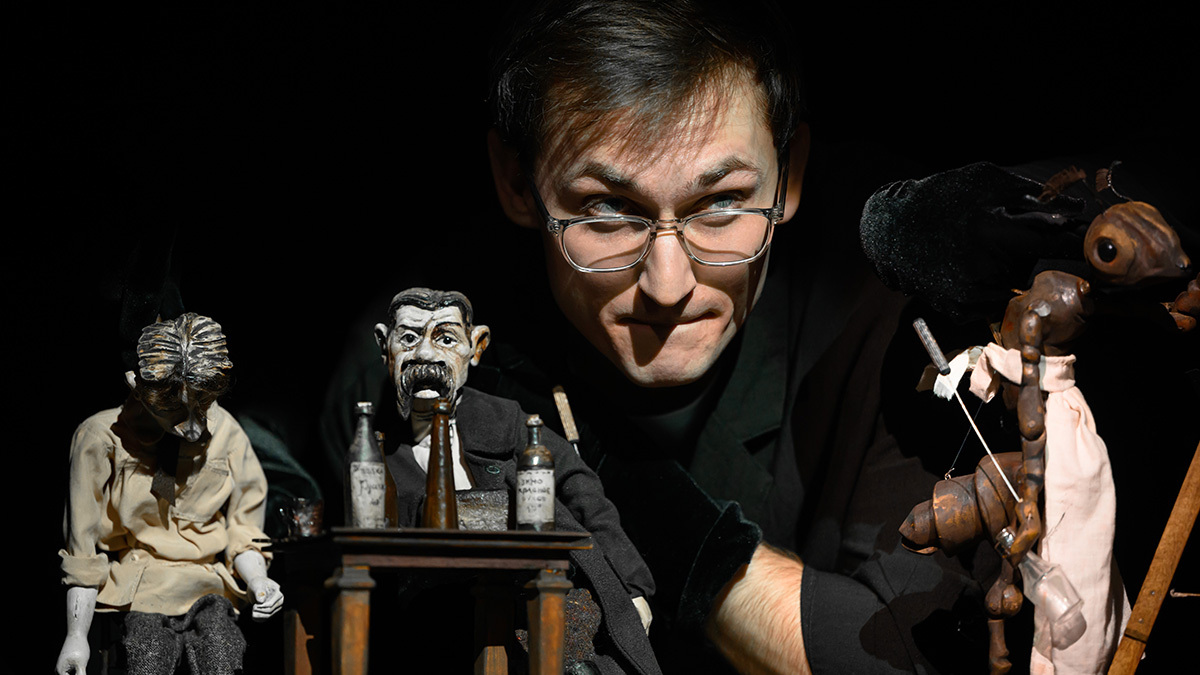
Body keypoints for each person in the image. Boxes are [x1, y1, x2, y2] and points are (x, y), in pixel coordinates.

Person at [370, 287, 658, 672]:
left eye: (446, 339)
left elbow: (583, 492)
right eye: (408, 338)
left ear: (476, 347)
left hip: (539, 595)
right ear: (384, 346)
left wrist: (632, 586)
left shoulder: (506, 421)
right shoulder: (377, 454)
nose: (424, 354)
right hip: (447, 618)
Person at [57, 313, 283, 675]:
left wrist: (258, 580)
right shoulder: (100, 438)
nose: (192, 428)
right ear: (136, 386)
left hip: (208, 585)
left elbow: (245, 529)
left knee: (223, 652)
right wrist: (75, 636)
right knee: (146, 653)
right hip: (137, 586)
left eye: (202, 406)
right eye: (172, 409)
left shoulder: (227, 433)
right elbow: (82, 550)